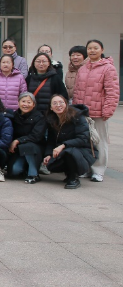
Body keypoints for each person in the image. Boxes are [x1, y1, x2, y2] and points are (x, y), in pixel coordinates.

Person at [72, 39, 119, 182]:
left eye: (95, 48)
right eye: (89, 48)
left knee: (99, 141)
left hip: (98, 112)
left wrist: (108, 110)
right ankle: (87, 168)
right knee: (85, 141)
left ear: (102, 50)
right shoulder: (83, 68)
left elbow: (112, 91)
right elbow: (77, 91)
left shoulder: (108, 68)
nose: (92, 51)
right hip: (83, 112)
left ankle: (98, 170)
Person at [44, 94, 97, 189]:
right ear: (51, 108)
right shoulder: (52, 120)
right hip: (65, 150)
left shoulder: (78, 117)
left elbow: (83, 139)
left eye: (61, 102)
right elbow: (51, 140)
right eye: (54, 103)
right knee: (52, 164)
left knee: (69, 152)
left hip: (84, 151)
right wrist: (48, 154)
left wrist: (63, 145)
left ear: (66, 104)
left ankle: (73, 178)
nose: (58, 105)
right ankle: (69, 173)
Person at [7, 92, 47, 183]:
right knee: (14, 171)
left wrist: (18, 141)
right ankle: (25, 168)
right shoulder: (14, 116)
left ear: (33, 104)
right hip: (19, 149)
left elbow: (36, 136)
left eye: (29, 102)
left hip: (35, 147)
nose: (26, 104)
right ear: (18, 103)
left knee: (28, 146)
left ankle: (33, 174)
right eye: (23, 101)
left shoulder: (40, 117)